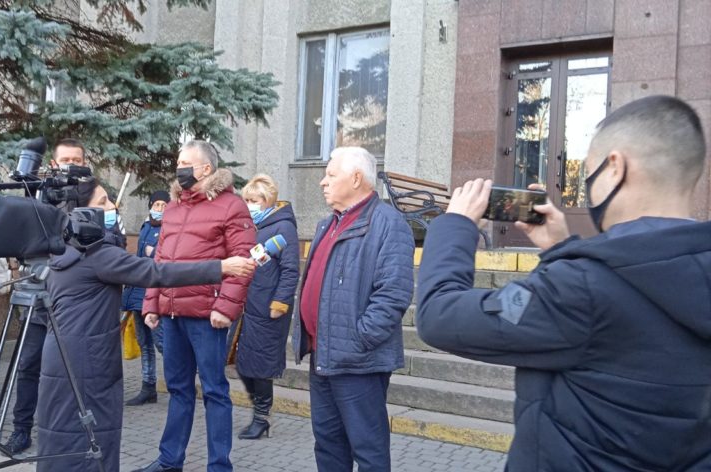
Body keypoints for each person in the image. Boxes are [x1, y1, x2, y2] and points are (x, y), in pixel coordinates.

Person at [416, 95, 711, 470]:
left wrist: (455, 225)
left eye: (588, 172)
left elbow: (438, 315)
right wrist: (560, 249)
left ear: (615, 168)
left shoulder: (580, 289)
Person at [36, 182, 256, 472]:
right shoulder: (98, 255)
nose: (112, 208)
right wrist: (221, 267)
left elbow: (42, 310)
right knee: (93, 438)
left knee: (61, 433)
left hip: (59, 355)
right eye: (103, 202)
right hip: (90, 361)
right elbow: (156, 271)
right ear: (82, 213)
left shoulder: (59, 253)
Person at [135, 140, 256, 472]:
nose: (179, 168)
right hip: (172, 314)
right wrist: (151, 303)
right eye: (178, 162)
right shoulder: (172, 207)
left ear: (206, 169)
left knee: (215, 391)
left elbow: (243, 261)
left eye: (186, 162)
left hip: (208, 316)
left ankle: (219, 465)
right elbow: (161, 260)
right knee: (178, 389)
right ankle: (169, 460)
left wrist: (225, 308)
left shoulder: (232, 206)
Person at [291, 147, 414, 471]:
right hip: (324, 357)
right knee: (329, 447)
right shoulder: (327, 224)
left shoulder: (388, 223)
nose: (322, 182)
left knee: (369, 451)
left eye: (331, 175)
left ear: (356, 179)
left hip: (358, 361)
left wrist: (360, 339)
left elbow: (394, 293)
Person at [5, 136, 92, 456]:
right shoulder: (37, 194)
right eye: (65, 160)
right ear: (53, 164)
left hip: (71, 302)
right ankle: (21, 428)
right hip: (36, 294)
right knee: (28, 366)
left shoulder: (95, 196)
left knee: (68, 371)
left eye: (76, 159)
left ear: (84, 161)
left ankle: (68, 432)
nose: (71, 165)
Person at [233, 174, 300, 440]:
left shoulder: (283, 228)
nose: (249, 204)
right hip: (250, 307)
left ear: (267, 200)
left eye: (254, 200)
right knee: (245, 364)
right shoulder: (254, 226)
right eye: (246, 199)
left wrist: (280, 302)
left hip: (269, 309)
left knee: (260, 367)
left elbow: (290, 270)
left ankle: (261, 419)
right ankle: (260, 414)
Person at [122, 189, 170, 406]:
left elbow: (162, 262)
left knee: (162, 343)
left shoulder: (169, 230)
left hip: (155, 294)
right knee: (144, 343)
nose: (159, 209)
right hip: (137, 293)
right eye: (156, 204)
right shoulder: (145, 227)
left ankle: (178, 383)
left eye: (163, 205)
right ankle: (148, 387)